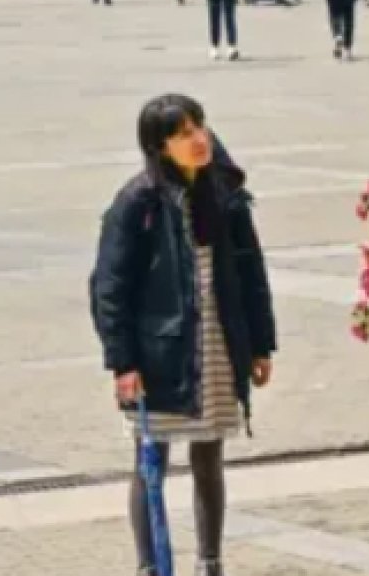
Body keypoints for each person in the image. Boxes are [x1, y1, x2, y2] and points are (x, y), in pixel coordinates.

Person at [90, 94, 276, 576]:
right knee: (150, 458)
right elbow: (110, 286)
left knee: (209, 454)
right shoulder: (138, 201)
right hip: (160, 349)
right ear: (159, 146)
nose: (199, 140)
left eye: (201, 127)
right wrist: (122, 362)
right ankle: (150, 566)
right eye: (183, 133)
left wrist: (260, 344)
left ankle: (209, 562)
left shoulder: (225, 193)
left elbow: (251, 272)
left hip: (216, 338)